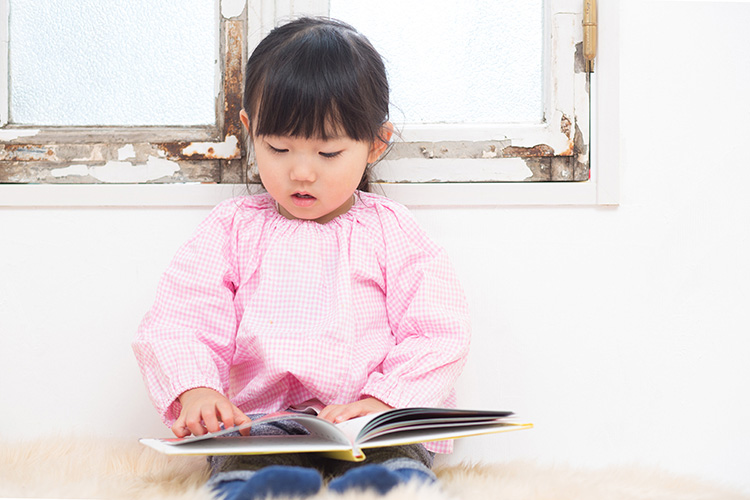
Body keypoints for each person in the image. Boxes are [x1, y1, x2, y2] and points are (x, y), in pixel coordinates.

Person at [133, 17, 471, 500]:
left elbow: (437, 330)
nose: (302, 171)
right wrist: (196, 389)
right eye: (278, 148)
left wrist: (384, 401)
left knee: (396, 468)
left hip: (370, 426)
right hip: (263, 426)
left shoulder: (391, 230)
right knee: (248, 466)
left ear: (375, 143)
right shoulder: (232, 228)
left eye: (329, 152)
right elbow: (181, 319)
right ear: (250, 130)